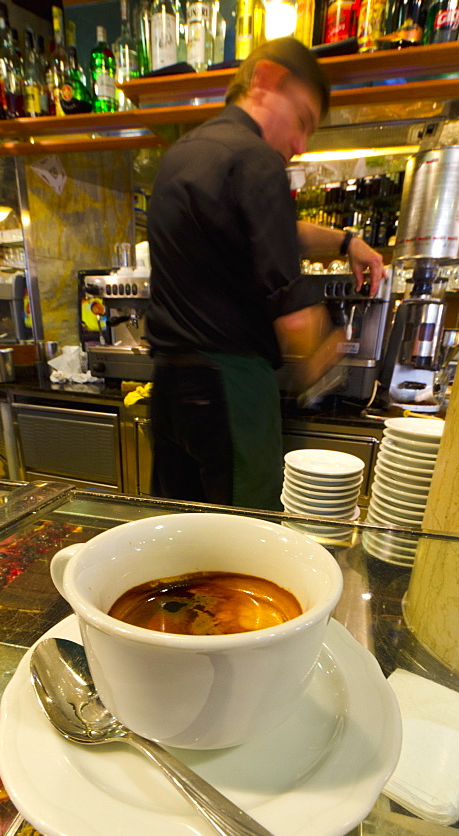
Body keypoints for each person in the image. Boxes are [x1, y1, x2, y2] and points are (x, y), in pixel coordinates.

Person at [146, 36, 384, 511]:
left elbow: (272, 230)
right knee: (245, 538)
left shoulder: (184, 154)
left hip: (169, 386)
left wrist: (344, 241)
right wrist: (328, 348)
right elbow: (294, 320)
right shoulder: (256, 158)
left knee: (175, 533)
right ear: (265, 80)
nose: (298, 145)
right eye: (301, 122)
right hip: (230, 387)